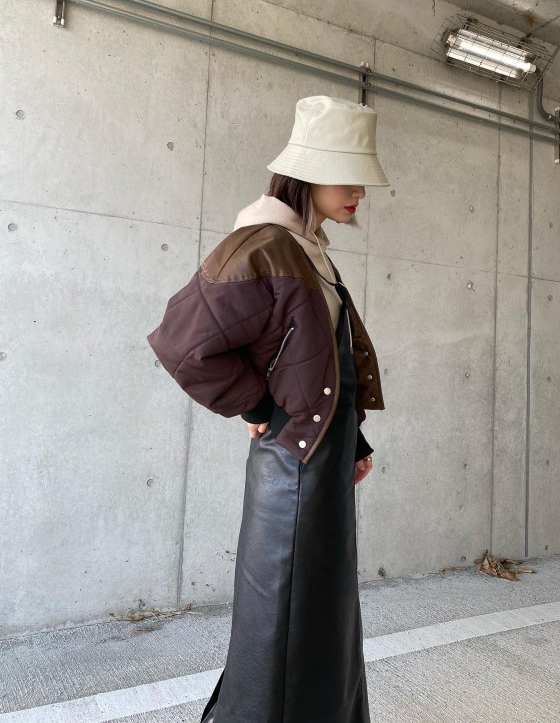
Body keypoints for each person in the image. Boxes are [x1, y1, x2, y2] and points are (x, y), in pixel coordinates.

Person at [147, 94, 388, 723]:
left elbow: (313, 359)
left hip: (322, 461)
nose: (360, 191)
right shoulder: (262, 245)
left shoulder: (306, 246)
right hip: (295, 472)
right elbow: (181, 344)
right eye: (348, 174)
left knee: (323, 613)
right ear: (308, 173)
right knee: (286, 619)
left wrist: (354, 440)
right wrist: (255, 403)